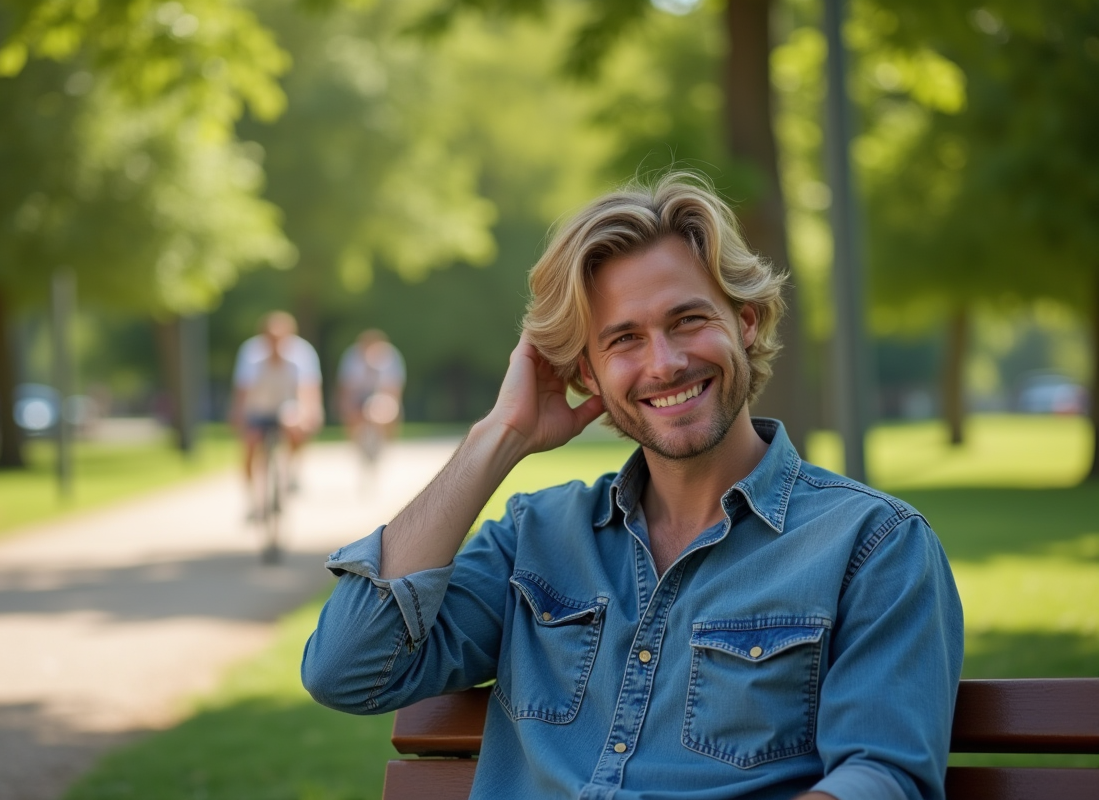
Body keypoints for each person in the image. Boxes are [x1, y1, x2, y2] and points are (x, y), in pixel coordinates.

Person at [302, 173, 963, 800]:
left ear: (747, 321)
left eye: (688, 320)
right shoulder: (535, 539)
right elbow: (347, 668)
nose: (665, 363)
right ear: (584, 373)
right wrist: (497, 437)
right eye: (623, 340)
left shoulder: (873, 546)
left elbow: (881, 778)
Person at [229, 312, 324, 513]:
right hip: (258, 409)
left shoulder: (301, 354)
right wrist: (238, 416)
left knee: (297, 424)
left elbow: (307, 390)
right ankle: (253, 500)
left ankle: (291, 472)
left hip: (286, 408)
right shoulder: (250, 354)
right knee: (250, 443)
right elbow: (242, 392)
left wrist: (310, 413)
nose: (276, 344)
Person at [337, 329, 406, 472]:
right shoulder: (352, 358)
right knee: (352, 415)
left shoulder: (391, 358)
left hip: (381, 398)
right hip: (359, 398)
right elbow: (347, 390)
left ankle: (381, 445)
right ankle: (359, 446)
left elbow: (393, 391)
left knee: (385, 414)